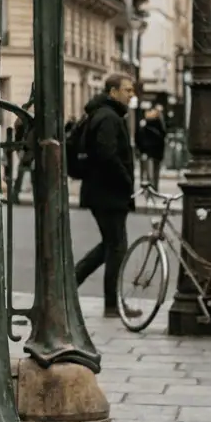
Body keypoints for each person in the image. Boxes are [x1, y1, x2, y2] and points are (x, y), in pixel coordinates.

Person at [73, 72, 136, 315]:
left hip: (103, 191)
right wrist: (126, 180)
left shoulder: (104, 114)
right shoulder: (108, 118)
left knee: (110, 245)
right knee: (116, 246)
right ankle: (112, 304)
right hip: (108, 193)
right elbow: (107, 155)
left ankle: (71, 283)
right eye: (127, 90)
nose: (132, 95)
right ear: (113, 92)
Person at [136, 103, 167, 191]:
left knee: (147, 170)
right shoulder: (159, 125)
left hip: (147, 151)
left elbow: (139, 137)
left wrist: (141, 149)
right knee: (154, 171)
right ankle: (153, 187)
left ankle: (147, 187)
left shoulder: (144, 125)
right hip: (155, 152)